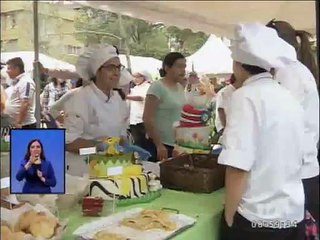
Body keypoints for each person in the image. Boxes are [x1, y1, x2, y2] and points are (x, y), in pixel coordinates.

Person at [218, 23, 305, 240]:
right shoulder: (287, 96)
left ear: (237, 64)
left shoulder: (245, 96)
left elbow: (238, 165)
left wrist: (228, 218)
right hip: (291, 214)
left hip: (257, 219)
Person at [267, 20, 320, 224]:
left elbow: (282, 122)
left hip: (298, 170)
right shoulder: (290, 69)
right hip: (298, 167)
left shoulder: (289, 72)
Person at [60, 44, 129, 153]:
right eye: (110, 68)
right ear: (97, 71)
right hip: (85, 164)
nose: (116, 73)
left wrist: (127, 147)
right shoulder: (79, 98)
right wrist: (99, 146)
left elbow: (121, 136)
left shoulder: (119, 100)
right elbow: (69, 142)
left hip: (113, 163)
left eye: (118, 67)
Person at [143, 52, 186, 161]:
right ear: (167, 68)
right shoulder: (157, 87)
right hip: (160, 145)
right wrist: (158, 144)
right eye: (179, 66)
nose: (183, 70)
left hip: (177, 144)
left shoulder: (180, 87)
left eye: (184, 67)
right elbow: (147, 118)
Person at [4, 57, 36, 128]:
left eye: (9, 68)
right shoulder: (15, 82)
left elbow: (25, 103)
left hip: (24, 125)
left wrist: (19, 122)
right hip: (13, 124)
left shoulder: (26, 82)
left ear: (17, 69)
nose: (7, 71)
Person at [127, 71, 152, 150]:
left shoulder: (148, 87)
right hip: (133, 121)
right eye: (134, 77)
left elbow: (141, 98)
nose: (135, 79)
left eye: (138, 77)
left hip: (143, 120)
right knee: (138, 144)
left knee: (148, 143)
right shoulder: (134, 88)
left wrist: (126, 97)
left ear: (143, 77)